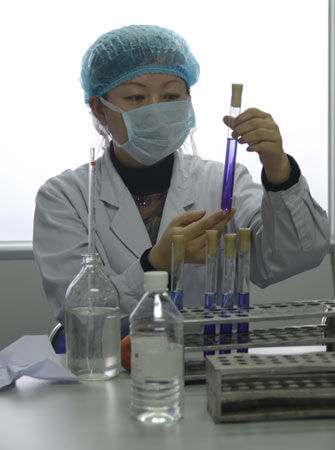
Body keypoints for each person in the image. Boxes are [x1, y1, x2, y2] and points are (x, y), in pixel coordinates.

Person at [33, 24, 330, 369]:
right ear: (99, 109)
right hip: (108, 379)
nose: (156, 109)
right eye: (136, 97)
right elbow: (80, 315)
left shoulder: (222, 180)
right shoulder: (65, 197)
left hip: (208, 372)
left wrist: (279, 169)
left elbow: (296, 255)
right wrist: (156, 264)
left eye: (172, 96)